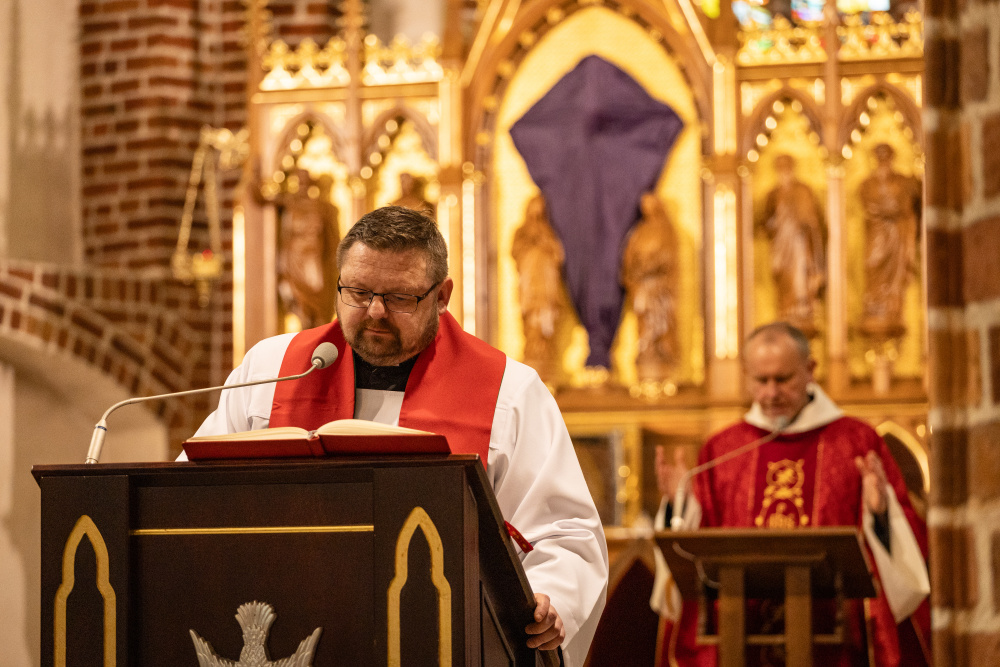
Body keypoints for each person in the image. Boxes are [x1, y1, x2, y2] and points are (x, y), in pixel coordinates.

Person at [187, 205, 609, 665]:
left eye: (400, 297)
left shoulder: (508, 392)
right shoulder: (272, 372)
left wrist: (551, 597)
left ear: (442, 295)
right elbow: (191, 493)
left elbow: (566, 532)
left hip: (436, 637)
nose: (375, 312)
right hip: (290, 627)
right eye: (357, 292)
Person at [651, 322, 931, 666]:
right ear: (746, 375)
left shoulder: (855, 442)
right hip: (741, 636)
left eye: (783, 379)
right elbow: (695, 555)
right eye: (760, 380)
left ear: (810, 370)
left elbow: (907, 548)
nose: (771, 393)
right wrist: (679, 505)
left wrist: (881, 515)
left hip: (834, 641)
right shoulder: (723, 450)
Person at [859, 143, 921, 341]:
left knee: (895, 274)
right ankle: (875, 305)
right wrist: (890, 209)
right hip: (877, 234)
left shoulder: (903, 182)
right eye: (879, 157)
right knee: (872, 264)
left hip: (897, 235)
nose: (883, 161)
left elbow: (910, 205)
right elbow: (869, 206)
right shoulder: (867, 184)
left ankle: (893, 308)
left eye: (886, 157)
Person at [759, 155, 826, 337]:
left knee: (801, 281)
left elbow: (814, 226)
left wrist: (818, 264)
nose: (784, 173)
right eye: (780, 169)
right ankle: (786, 313)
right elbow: (765, 223)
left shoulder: (803, 191)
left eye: (786, 168)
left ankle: (803, 312)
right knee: (785, 282)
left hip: (800, 248)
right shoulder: (773, 194)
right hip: (782, 250)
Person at [620, 192, 680, 383]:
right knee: (644, 321)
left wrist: (651, 266)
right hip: (641, 285)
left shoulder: (666, 230)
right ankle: (646, 354)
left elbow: (668, 258)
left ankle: (660, 356)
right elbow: (629, 258)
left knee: (658, 323)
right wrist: (634, 273)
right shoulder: (639, 232)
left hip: (658, 286)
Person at [511, 194, 565, 383]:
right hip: (530, 286)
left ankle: (544, 361)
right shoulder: (522, 232)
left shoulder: (548, 232)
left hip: (546, 286)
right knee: (532, 323)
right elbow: (515, 252)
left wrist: (544, 242)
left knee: (545, 324)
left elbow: (558, 255)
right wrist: (531, 244)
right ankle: (532, 357)